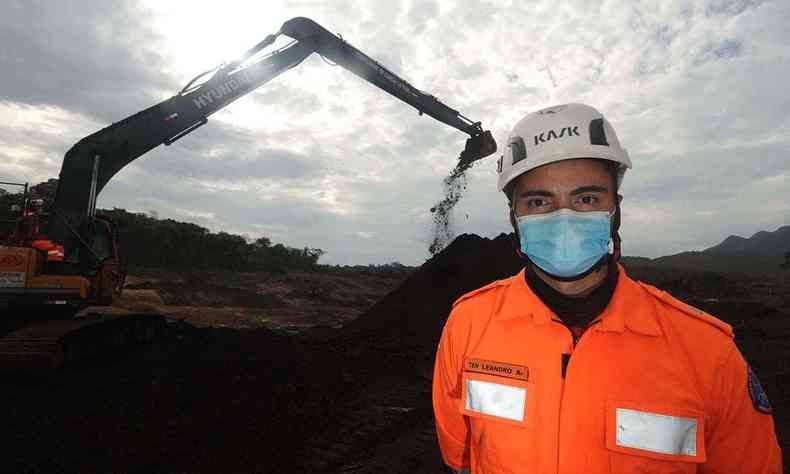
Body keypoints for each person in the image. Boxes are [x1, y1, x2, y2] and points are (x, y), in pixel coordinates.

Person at [432, 103, 782, 473]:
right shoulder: (468, 324)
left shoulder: (709, 354)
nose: (563, 218)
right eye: (539, 201)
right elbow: (461, 459)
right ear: (514, 218)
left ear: (615, 210)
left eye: (586, 199)